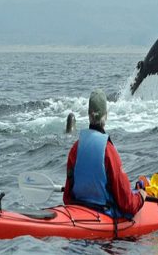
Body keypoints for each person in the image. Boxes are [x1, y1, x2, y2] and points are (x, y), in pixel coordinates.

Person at [63, 90, 146, 218]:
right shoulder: (108, 151)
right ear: (106, 116)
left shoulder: (75, 149)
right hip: (103, 216)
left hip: (77, 213)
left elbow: (67, 198)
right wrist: (140, 196)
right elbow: (127, 204)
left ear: (88, 115)